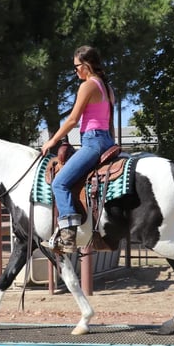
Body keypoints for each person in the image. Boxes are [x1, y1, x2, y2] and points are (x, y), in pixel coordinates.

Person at [41, 45, 116, 254]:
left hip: (93, 142)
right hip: (107, 141)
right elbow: (108, 122)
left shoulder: (88, 86)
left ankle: (67, 236)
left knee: (60, 183)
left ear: (87, 65)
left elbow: (73, 119)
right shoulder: (107, 88)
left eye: (76, 67)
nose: (75, 72)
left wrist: (52, 141)